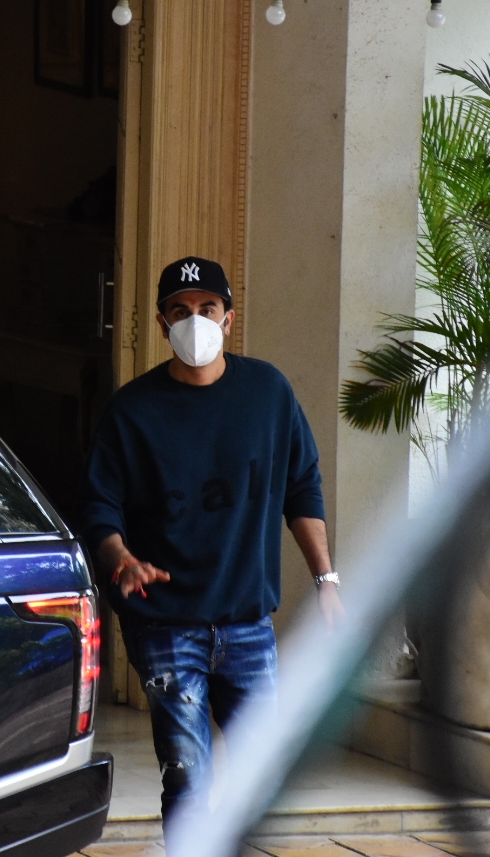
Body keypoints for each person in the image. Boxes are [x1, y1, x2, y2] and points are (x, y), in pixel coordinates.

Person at [80, 255, 340, 823]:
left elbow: (302, 486)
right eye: (180, 311)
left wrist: (326, 580)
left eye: (207, 308)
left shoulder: (268, 393)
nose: (194, 321)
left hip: (247, 623)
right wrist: (120, 556)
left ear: (228, 318)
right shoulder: (132, 411)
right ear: (161, 324)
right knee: (189, 782)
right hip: (166, 624)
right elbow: (100, 504)